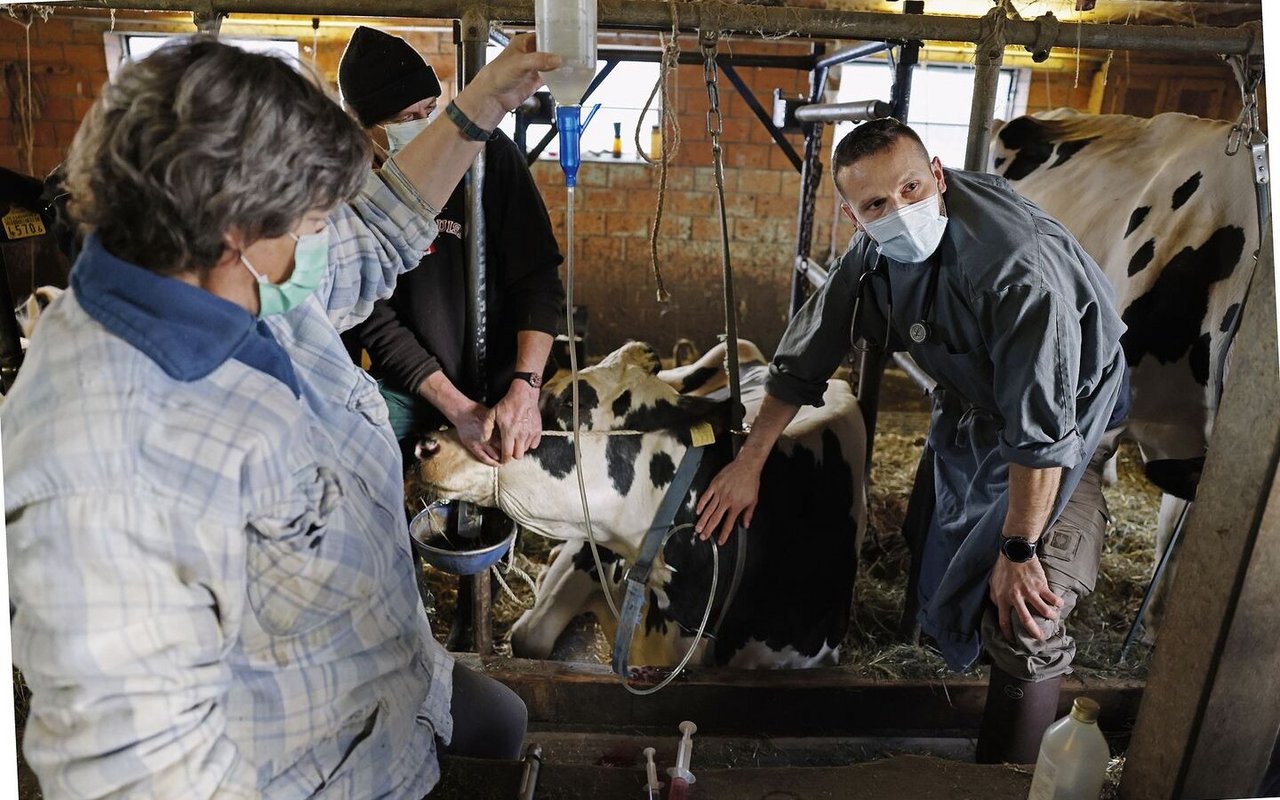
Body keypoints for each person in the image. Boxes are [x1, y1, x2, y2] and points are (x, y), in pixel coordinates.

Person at [2, 35, 557, 798]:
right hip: (312, 767)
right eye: (317, 219)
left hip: (385, 691)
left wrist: (485, 99)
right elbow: (138, 775)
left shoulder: (214, 280)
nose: (331, 235)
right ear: (237, 231)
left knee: (498, 722)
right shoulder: (102, 473)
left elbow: (381, 228)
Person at [694, 118, 1129, 764]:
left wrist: (1018, 546)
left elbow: (1042, 435)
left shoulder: (1015, 270)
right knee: (931, 540)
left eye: (910, 189)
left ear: (939, 176)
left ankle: (1007, 770)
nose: (898, 212)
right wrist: (749, 461)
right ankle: (946, 665)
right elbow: (802, 360)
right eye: (876, 205)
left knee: (1030, 605)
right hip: (975, 406)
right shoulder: (876, 253)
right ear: (853, 216)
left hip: (1071, 421)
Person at [338, 26, 564, 468]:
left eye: (429, 109)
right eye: (406, 119)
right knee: (371, 466)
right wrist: (457, 409)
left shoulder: (490, 156)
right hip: (414, 384)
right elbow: (375, 322)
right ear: (367, 130)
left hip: (510, 380)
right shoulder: (354, 189)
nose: (423, 124)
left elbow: (537, 277)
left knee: (529, 481)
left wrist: (525, 388)